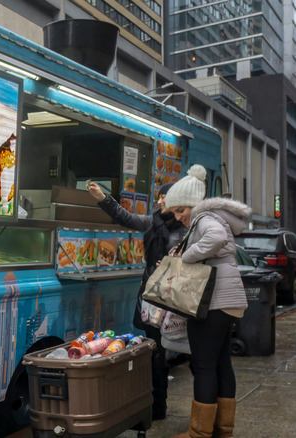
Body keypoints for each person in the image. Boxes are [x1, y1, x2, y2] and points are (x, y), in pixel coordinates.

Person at [87, 180, 185, 420]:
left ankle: (166, 406)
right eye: (159, 196)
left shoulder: (186, 229)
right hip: (151, 297)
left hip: (173, 299)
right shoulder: (153, 222)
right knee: (154, 352)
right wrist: (103, 198)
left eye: (164, 197)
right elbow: (125, 217)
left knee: (175, 350)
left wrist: (175, 265)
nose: (159, 201)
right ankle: (155, 407)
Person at [164, 164, 250, 438]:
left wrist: (186, 257)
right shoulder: (212, 216)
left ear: (193, 204)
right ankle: (223, 430)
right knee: (221, 362)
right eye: (175, 212)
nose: (179, 217)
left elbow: (216, 237)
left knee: (203, 365)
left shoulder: (204, 218)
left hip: (212, 301)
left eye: (181, 210)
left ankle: (199, 433)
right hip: (227, 300)